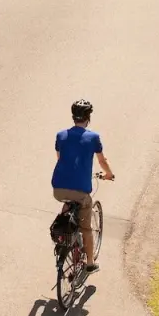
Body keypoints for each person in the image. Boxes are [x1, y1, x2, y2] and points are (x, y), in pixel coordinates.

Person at [51, 99, 115, 273]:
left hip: (58, 188)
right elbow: (102, 160)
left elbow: (60, 158)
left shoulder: (60, 135)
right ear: (88, 118)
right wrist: (109, 174)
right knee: (86, 228)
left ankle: (64, 235)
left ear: (73, 117)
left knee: (68, 203)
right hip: (80, 191)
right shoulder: (93, 137)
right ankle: (90, 263)